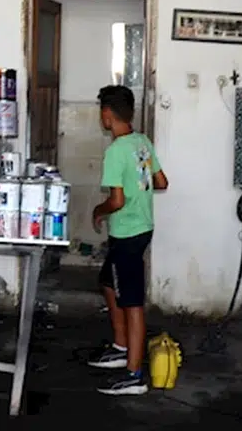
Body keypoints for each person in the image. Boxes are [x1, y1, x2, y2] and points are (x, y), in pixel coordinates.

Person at [85, 84, 166, 396]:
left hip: (128, 233)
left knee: (132, 303)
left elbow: (116, 200)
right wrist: (139, 184)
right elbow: (161, 181)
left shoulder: (116, 151)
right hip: (142, 227)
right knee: (108, 282)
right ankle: (121, 347)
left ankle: (134, 375)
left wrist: (99, 210)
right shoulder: (142, 142)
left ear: (107, 115)